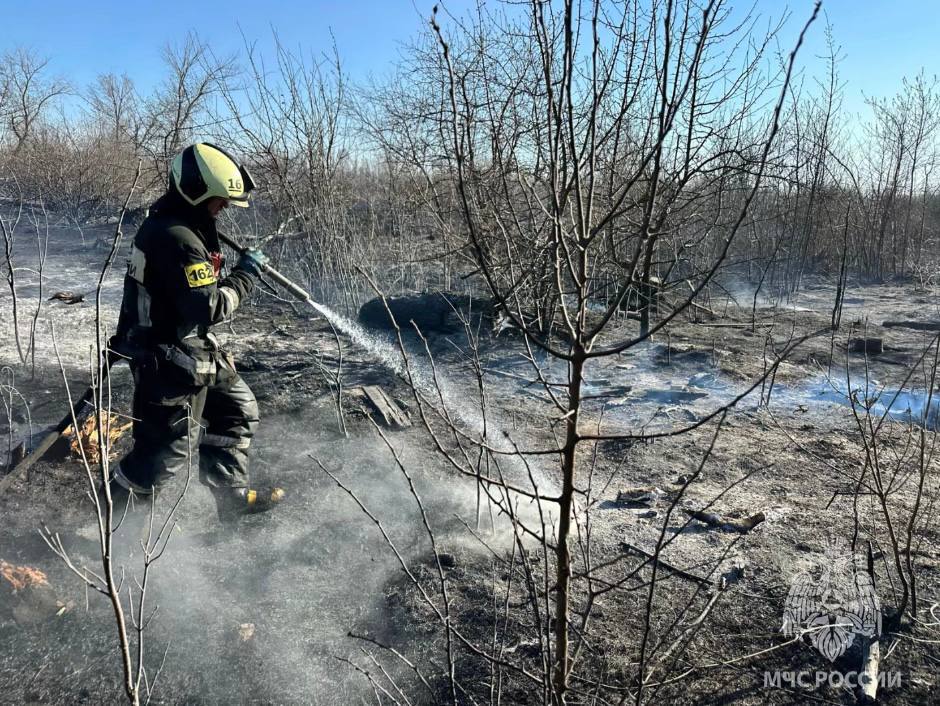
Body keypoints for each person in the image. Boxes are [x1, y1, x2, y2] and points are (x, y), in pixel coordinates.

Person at [108, 142, 284, 522]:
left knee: (238, 410)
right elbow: (207, 308)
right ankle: (107, 525)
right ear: (195, 193)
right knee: (161, 458)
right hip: (167, 363)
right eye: (219, 201)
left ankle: (232, 497)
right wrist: (246, 275)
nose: (223, 209)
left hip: (192, 352)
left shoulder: (183, 226)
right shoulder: (176, 237)